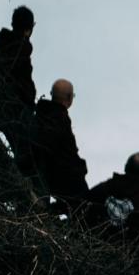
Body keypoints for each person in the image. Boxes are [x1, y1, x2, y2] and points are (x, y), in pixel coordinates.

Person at [86, 152, 139, 251]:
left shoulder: (106, 188)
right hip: (136, 254)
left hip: (99, 249)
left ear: (126, 167)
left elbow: (82, 204)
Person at [33, 79, 88, 211]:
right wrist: (81, 168)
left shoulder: (40, 114)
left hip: (42, 172)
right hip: (58, 177)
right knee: (85, 206)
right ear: (69, 98)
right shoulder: (60, 119)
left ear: (51, 94)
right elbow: (66, 155)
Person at [0, 6, 36, 110]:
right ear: (29, 29)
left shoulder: (2, 43)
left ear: (12, 24)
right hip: (11, 107)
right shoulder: (22, 49)